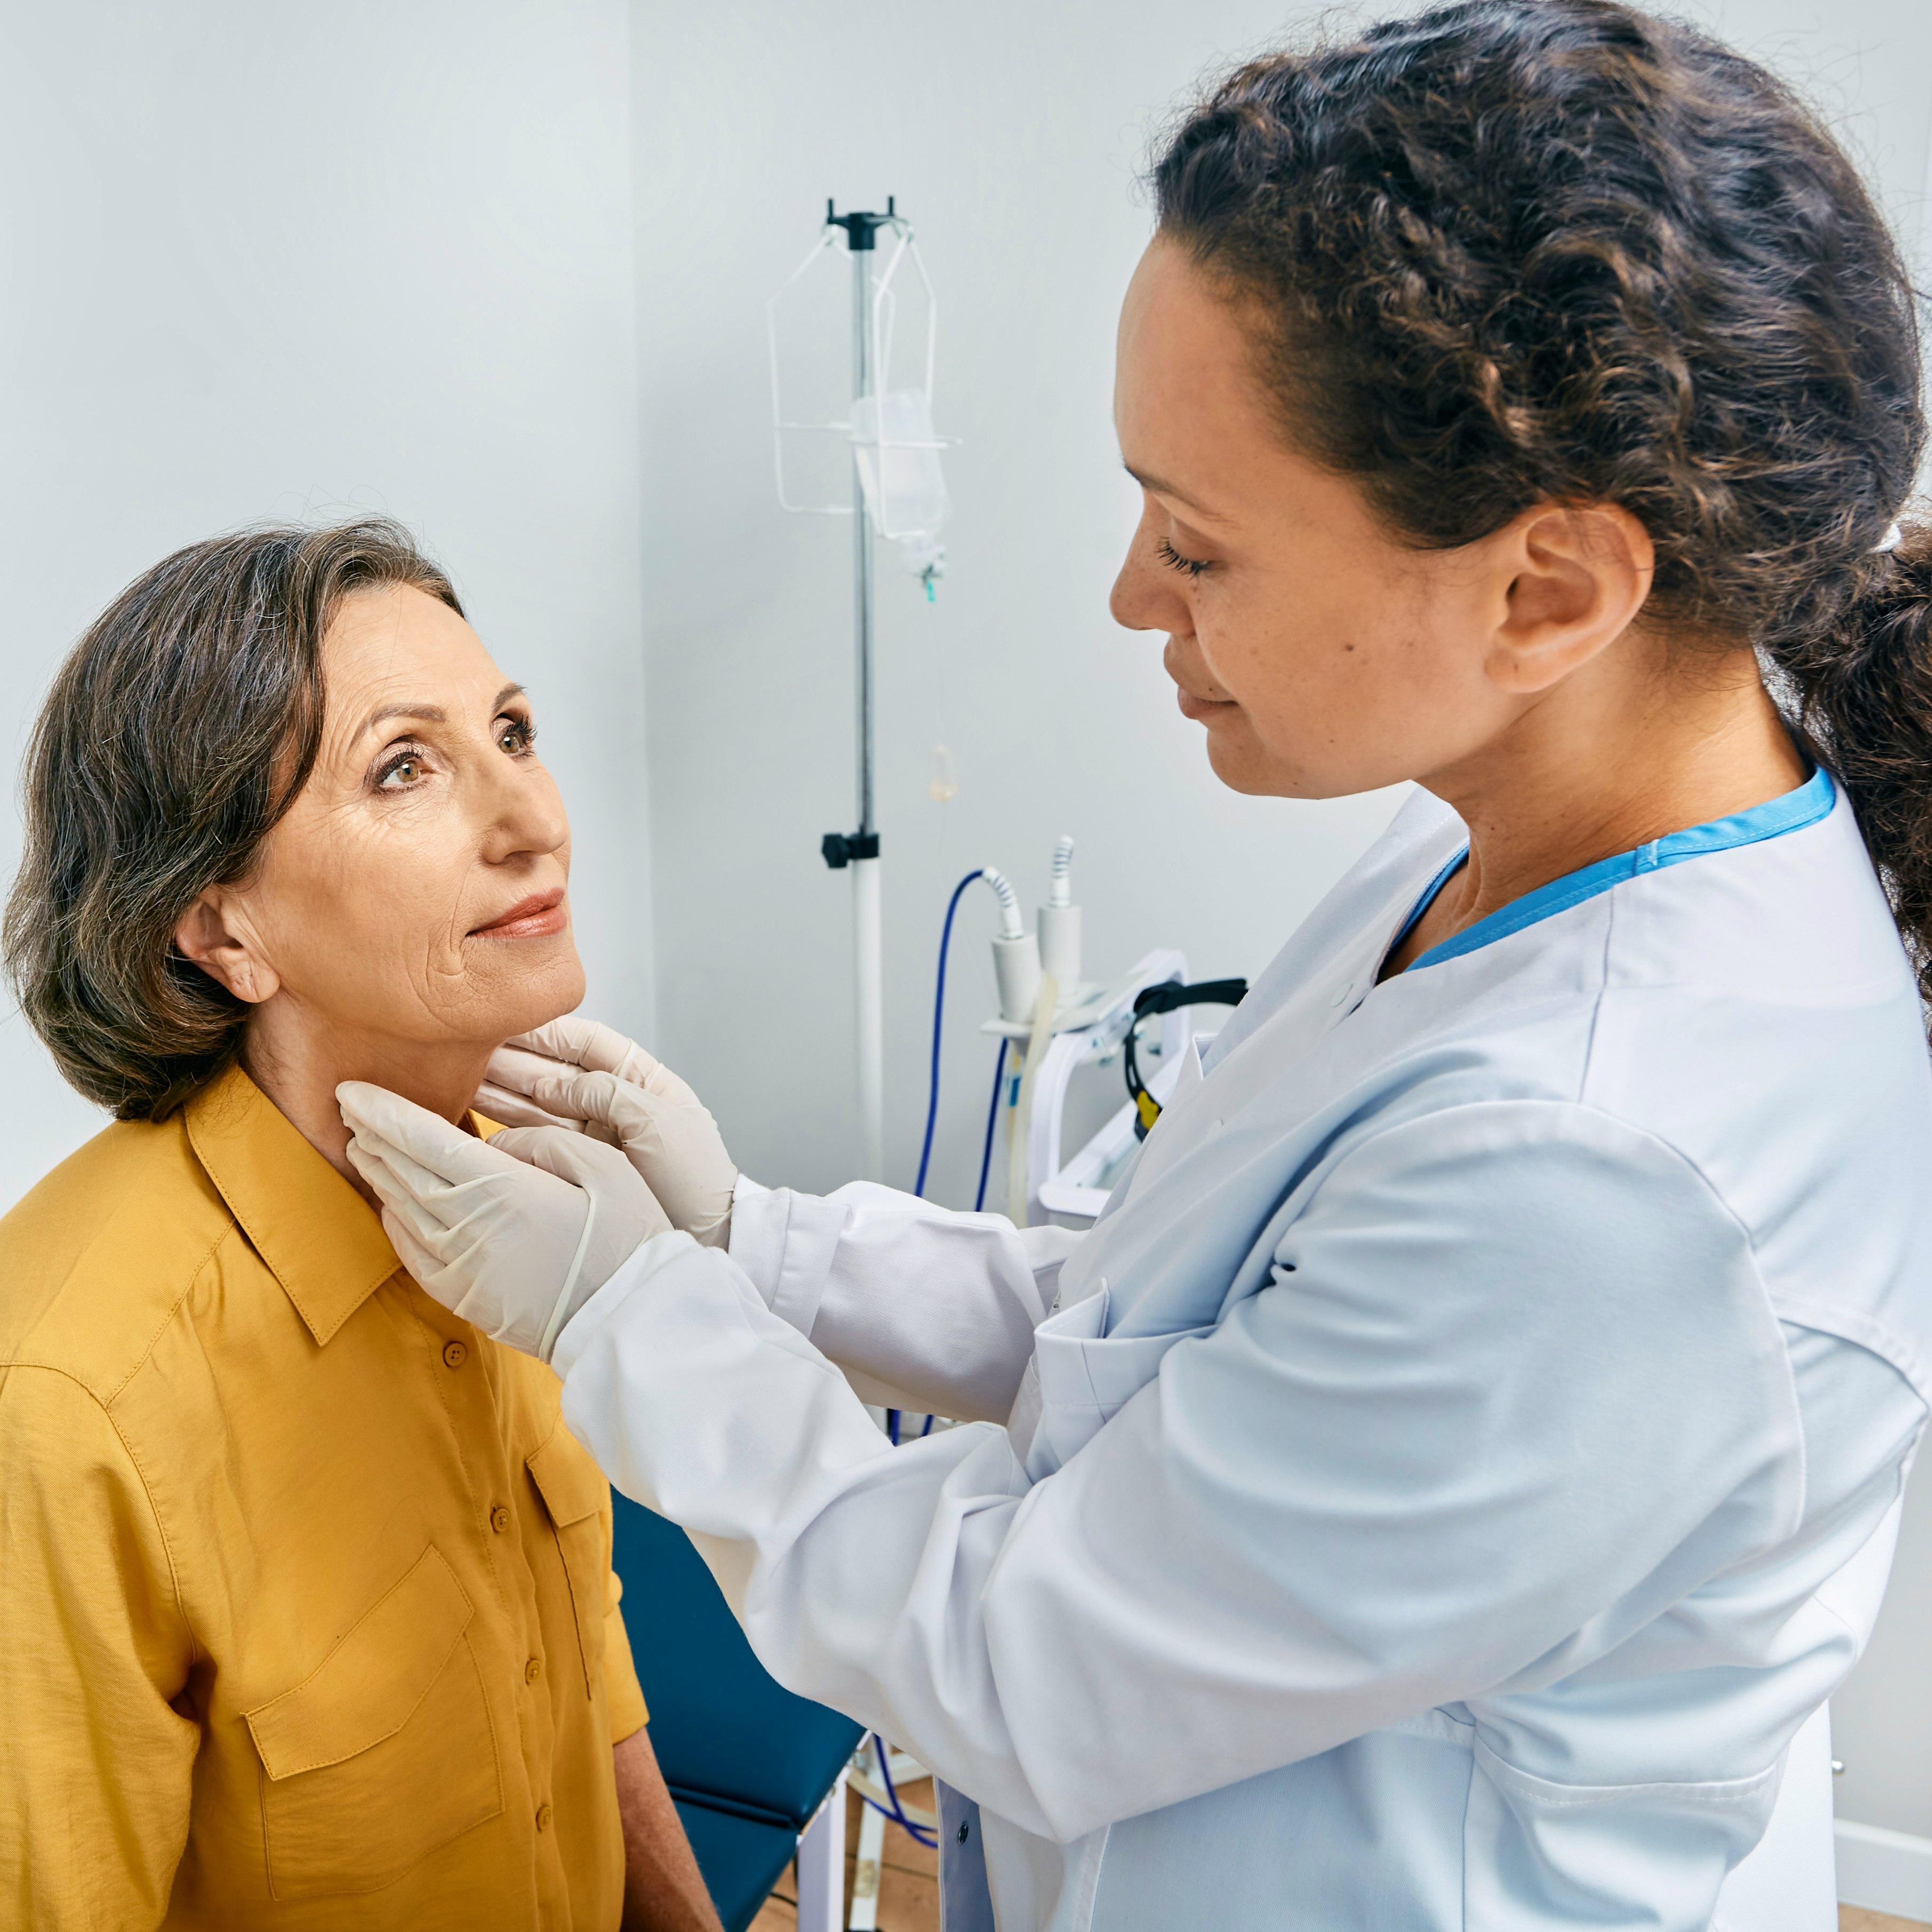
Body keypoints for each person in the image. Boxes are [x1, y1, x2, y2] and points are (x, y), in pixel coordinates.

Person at [340, 4, 1932, 1928]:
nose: (1128, 595)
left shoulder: (1617, 1170)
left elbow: (1025, 1663)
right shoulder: (1482, 858)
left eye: (1199, 541)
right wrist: (756, 1243)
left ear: (1547, 589)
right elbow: (1172, 1332)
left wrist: (628, 1322)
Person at [0, 521, 718, 1931]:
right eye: (405, 766)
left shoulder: (511, 1196)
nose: (532, 821)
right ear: (222, 932)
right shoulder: (70, 1408)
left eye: (513, 731)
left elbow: (582, 1660)